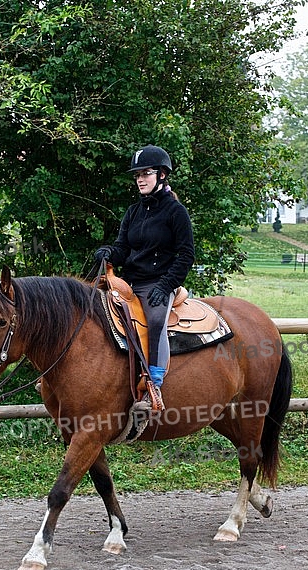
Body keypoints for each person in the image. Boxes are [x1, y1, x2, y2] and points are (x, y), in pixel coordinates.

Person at [95, 144, 195, 411]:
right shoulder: (133, 212)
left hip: (159, 284)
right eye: (137, 174)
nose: (140, 179)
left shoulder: (176, 212)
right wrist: (109, 253)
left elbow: (186, 255)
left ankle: (154, 382)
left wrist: (166, 285)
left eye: (145, 173)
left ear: (162, 175)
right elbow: (122, 248)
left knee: (154, 321)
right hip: (129, 283)